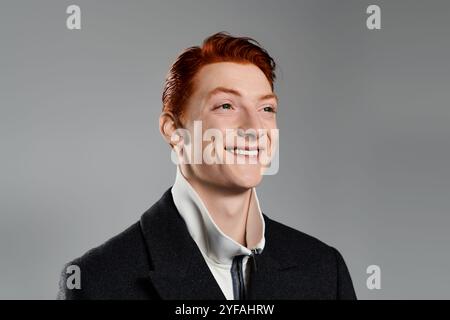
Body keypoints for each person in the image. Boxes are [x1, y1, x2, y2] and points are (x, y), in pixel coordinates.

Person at [57, 32, 357, 300]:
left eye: (266, 108)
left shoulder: (324, 270)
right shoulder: (96, 283)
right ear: (174, 131)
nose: (254, 128)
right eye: (226, 105)